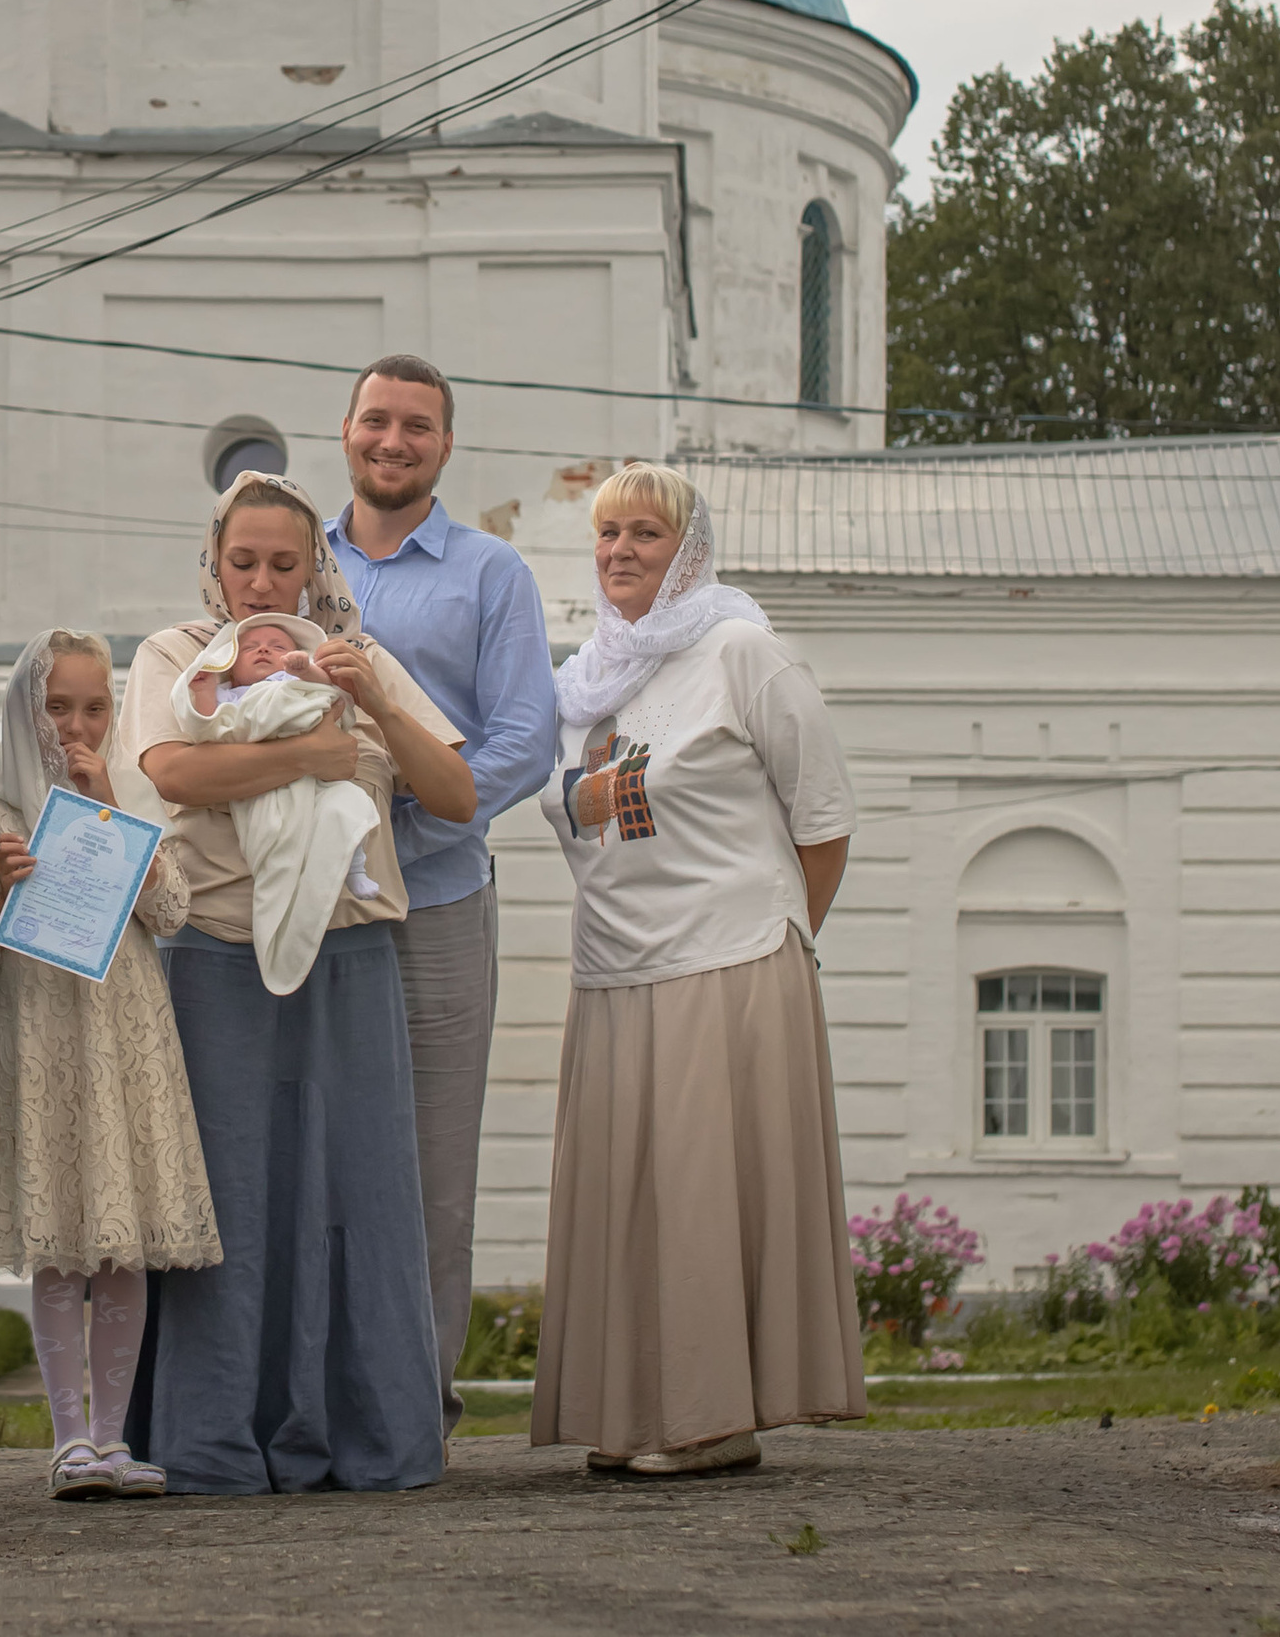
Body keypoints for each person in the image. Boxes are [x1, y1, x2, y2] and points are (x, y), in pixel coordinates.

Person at [119, 472, 474, 1495]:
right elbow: (175, 773)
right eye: (244, 562)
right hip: (215, 954)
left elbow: (452, 794)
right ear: (214, 563)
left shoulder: (353, 660)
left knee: (357, 1191)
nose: (262, 581)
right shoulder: (174, 657)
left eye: (284, 562)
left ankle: (368, 1435)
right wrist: (314, 753)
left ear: (315, 566)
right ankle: (209, 1436)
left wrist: (369, 711)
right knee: (220, 1197)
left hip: (350, 952)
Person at [530, 460, 863, 1481]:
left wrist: (779, 941)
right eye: (609, 533)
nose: (623, 551)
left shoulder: (741, 650)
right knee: (630, 1200)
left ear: (690, 550)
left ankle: (714, 1419)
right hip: (615, 966)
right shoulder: (586, 677)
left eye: (647, 534)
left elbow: (824, 819)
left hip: (727, 963)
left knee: (699, 1196)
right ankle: (633, 1415)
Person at [328, 358, 560, 1430]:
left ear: (444, 447)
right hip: (306, 904)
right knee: (315, 1147)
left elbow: (523, 740)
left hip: (436, 901)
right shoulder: (293, 557)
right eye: (377, 420)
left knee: (429, 1169)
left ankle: (413, 1403)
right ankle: (311, 1394)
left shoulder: (488, 573)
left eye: (416, 426)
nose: (393, 440)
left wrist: (409, 821)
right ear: (345, 431)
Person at [0, 629, 219, 1503]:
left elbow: (174, 911)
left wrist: (114, 810)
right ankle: (67, 1440)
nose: (77, 724)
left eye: (95, 706)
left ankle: (114, 1439)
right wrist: (0, 889)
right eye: (57, 706)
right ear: (24, 709)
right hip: (41, 1039)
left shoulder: (130, 793)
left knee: (124, 1243)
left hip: (128, 1035)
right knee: (61, 1238)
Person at [168, 611, 381, 981]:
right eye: (250, 647)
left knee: (346, 807)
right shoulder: (232, 695)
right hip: (261, 785)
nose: (263, 649)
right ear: (231, 665)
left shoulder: (294, 681)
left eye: (277, 646)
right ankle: (280, 904)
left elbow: (328, 695)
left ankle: (355, 869)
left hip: (316, 782)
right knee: (272, 837)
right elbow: (209, 725)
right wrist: (203, 690)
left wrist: (305, 672)